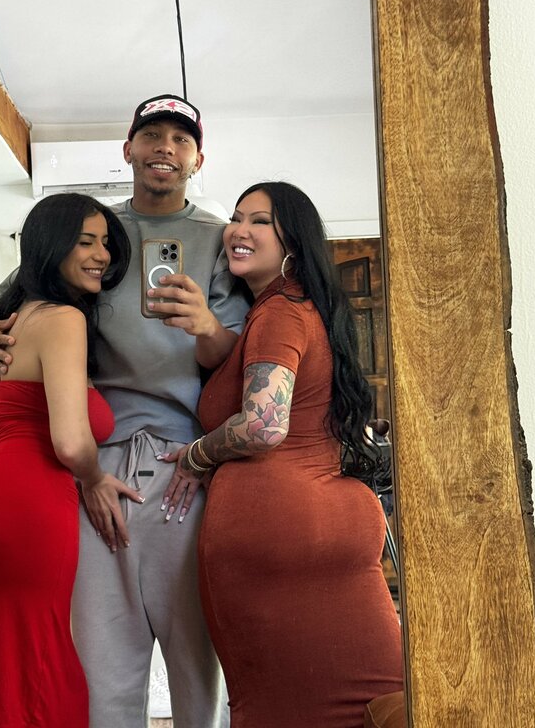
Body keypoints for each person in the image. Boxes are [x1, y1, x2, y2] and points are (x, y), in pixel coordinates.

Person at [0, 95, 249, 728]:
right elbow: (27, 300)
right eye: (152, 135)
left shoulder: (218, 239)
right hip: (90, 462)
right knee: (102, 663)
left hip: (184, 461)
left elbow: (238, 358)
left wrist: (206, 325)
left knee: (196, 663)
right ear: (128, 149)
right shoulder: (95, 229)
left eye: (181, 140)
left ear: (198, 159)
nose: (165, 148)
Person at [161, 182, 404, 728]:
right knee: (373, 705)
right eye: (237, 217)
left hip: (283, 537)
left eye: (260, 221)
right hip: (321, 529)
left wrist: (197, 456)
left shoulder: (281, 313)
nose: (239, 230)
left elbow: (263, 425)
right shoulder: (297, 309)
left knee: (290, 708)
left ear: (292, 238)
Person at [0, 192, 144, 728]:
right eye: (85, 242)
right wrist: (95, 479)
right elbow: (72, 443)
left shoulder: (9, 319)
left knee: (9, 649)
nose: (102, 255)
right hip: (32, 500)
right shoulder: (62, 319)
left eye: (105, 243)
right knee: (39, 652)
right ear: (51, 247)